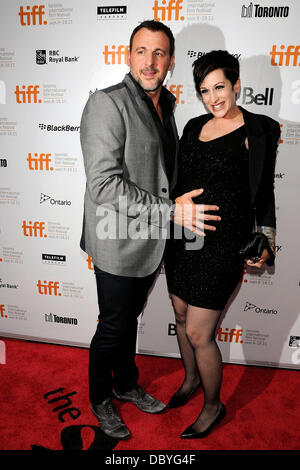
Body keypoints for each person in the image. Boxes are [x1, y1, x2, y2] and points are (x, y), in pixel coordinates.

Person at [80, 21, 220, 440]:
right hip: (118, 243)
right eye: (141, 51)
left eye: (159, 53)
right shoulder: (108, 104)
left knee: (128, 322)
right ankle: (101, 397)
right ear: (128, 55)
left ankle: (126, 383)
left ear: (171, 61)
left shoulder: (168, 105)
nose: (150, 61)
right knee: (113, 325)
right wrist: (170, 212)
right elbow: (104, 186)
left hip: (151, 243)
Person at [165, 50, 280, 439]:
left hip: (223, 244)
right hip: (182, 238)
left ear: (236, 85)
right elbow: (179, 182)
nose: (213, 98)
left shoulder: (258, 130)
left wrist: (266, 238)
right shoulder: (192, 125)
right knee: (180, 317)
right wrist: (174, 206)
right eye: (204, 91)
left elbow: (264, 193)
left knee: (200, 332)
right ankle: (191, 379)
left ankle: (213, 406)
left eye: (220, 87)